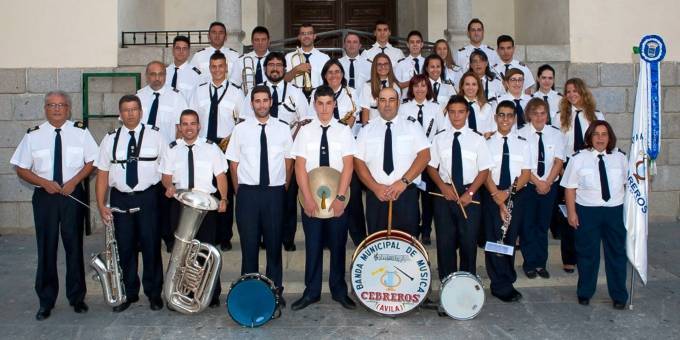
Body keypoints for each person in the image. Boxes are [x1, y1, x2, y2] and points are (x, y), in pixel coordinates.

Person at [10, 91, 98, 320]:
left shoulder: (80, 132)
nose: (57, 109)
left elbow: (93, 161)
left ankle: (77, 297)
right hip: (45, 198)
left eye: (61, 105)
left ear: (68, 108)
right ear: (45, 108)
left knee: (74, 247)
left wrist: (74, 182)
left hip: (72, 195)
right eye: (51, 105)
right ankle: (46, 301)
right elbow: (21, 167)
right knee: (46, 248)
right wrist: (43, 183)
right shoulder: (33, 136)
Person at [95, 95, 165, 312]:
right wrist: (101, 205)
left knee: (151, 245)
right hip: (120, 198)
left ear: (141, 111)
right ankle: (129, 293)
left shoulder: (156, 137)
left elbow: (167, 169)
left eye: (134, 109)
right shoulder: (110, 139)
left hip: (149, 197)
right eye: (126, 110)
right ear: (120, 113)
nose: (130, 113)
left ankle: (154, 293)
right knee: (124, 247)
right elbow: (102, 174)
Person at [290, 85, 357, 311]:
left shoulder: (343, 130)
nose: (325, 108)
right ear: (315, 105)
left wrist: (340, 197)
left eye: (329, 103)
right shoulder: (306, 131)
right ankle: (311, 292)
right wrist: (307, 198)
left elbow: (349, 165)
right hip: (311, 197)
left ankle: (339, 290)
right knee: (313, 245)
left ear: (335, 104)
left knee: (338, 245)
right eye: (320, 103)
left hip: (339, 197)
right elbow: (299, 166)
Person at [226, 85, 293, 305]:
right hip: (248, 194)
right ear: (252, 103)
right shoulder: (240, 130)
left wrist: (282, 187)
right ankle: (249, 293)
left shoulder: (282, 129)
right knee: (249, 246)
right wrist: (240, 190)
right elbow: (233, 164)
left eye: (265, 100)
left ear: (271, 103)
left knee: (274, 246)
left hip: (274, 193)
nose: (262, 104)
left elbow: (288, 162)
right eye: (257, 100)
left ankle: (275, 292)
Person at [160, 109, 228, 307]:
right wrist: (168, 186)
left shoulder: (211, 148)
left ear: (199, 126)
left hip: (205, 206)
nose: (189, 128)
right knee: (181, 251)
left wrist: (223, 198)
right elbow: (166, 176)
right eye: (185, 124)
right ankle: (180, 293)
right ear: (179, 127)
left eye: (192, 123)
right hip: (180, 205)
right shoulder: (172, 149)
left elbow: (221, 176)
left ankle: (211, 294)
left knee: (206, 251)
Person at [246, 52, 310, 251]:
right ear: (265, 69)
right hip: (261, 155)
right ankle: (265, 238)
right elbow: (246, 122)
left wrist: (294, 139)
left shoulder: (296, 93)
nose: (275, 68)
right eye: (271, 64)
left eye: (279, 64)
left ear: (284, 68)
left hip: (288, 152)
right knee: (264, 202)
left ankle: (287, 237)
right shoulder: (254, 94)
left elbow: (306, 120)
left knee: (288, 198)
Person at [560, 121, 628, 310]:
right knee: (587, 255)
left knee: (617, 254)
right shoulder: (578, 159)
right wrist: (572, 213)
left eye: (604, 134)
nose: (600, 138)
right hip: (587, 211)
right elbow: (570, 188)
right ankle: (585, 292)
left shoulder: (620, 158)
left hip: (614, 211)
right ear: (589, 137)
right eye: (596, 134)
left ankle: (619, 295)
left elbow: (628, 186)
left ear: (610, 137)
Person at [427, 95, 492, 279]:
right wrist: (442, 187)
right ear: (447, 113)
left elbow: (484, 169)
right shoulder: (439, 139)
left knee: (468, 242)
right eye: (452, 112)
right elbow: (431, 167)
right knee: (445, 243)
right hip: (444, 195)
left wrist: (470, 192)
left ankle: (466, 283)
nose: (456, 116)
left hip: (469, 195)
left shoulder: (477, 139)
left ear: (467, 113)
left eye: (461, 112)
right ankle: (447, 283)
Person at [355, 87, 431, 236]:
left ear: (398, 103)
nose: (387, 104)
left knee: (407, 245)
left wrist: (403, 182)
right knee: (377, 244)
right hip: (377, 196)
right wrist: (375, 187)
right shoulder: (367, 129)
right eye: (382, 100)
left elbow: (424, 156)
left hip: (405, 194)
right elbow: (358, 161)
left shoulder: (412, 125)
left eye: (391, 100)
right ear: (377, 103)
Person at [188, 51, 244, 251]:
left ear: (226, 69)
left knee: (224, 191)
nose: (217, 70)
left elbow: (241, 120)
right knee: (204, 189)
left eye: (221, 66)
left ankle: (225, 235)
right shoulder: (199, 91)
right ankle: (204, 232)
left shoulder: (237, 92)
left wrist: (232, 142)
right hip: (203, 144)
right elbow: (192, 117)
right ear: (209, 68)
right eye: (214, 67)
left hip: (226, 146)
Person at [483, 100, 531, 303]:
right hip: (491, 193)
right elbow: (484, 172)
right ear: (495, 118)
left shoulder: (523, 143)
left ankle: (507, 278)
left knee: (510, 237)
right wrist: (498, 197)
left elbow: (526, 175)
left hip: (515, 194)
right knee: (495, 239)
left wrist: (507, 194)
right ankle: (499, 284)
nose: (505, 119)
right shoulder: (485, 142)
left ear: (514, 118)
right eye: (501, 115)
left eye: (509, 115)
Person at [555, 78, 605, 273]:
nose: (572, 94)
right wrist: (560, 169)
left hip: (588, 166)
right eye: (568, 91)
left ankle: (586, 255)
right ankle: (568, 258)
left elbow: (602, 141)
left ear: (583, 92)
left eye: (575, 91)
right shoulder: (560, 116)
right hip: (566, 166)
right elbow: (557, 145)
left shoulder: (596, 115)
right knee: (567, 213)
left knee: (586, 213)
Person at [138, 60, 189, 252]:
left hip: (166, 156)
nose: (156, 78)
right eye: (152, 74)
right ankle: (146, 239)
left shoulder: (176, 97)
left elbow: (180, 128)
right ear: (147, 75)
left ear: (165, 76)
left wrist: (173, 154)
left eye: (160, 74)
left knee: (167, 200)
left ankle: (169, 238)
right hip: (144, 158)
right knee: (146, 200)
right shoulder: (139, 97)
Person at [313, 59, 365, 245]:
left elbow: (355, 117)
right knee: (324, 192)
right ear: (325, 76)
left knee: (354, 195)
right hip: (324, 150)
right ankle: (327, 237)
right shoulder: (316, 94)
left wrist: (346, 126)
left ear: (342, 75)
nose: (334, 75)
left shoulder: (351, 93)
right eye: (330, 72)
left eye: (337, 71)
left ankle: (359, 236)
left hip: (347, 148)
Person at [517, 98, 564, 279]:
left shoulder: (556, 134)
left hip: (549, 186)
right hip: (528, 186)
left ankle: (540, 263)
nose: (539, 117)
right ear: (529, 115)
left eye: (542, 113)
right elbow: (522, 165)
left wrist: (547, 183)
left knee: (542, 226)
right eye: (535, 113)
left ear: (547, 115)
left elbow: (559, 161)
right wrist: (537, 182)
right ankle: (529, 263)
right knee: (528, 225)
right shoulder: (521, 134)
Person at [398, 74, 443, 244]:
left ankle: (426, 229)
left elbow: (441, 132)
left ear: (428, 88)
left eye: (423, 86)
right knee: (411, 198)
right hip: (411, 159)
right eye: (416, 86)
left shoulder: (435, 108)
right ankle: (413, 229)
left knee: (428, 198)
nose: (420, 89)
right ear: (411, 89)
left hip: (430, 159)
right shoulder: (404, 108)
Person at [284, 23, 331, 95]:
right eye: (303, 34)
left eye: (309, 33)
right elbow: (284, 80)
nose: (306, 36)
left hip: (318, 97)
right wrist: (296, 70)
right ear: (299, 37)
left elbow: (329, 81)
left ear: (314, 36)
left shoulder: (325, 58)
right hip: (295, 97)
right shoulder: (289, 57)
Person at [359, 53, 401, 124]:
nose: (383, 66)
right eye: (379, 64)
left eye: (386, 64)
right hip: (373, 126)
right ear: (375, 67)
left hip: (392, 125)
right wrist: (366, 130)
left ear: (390, 66)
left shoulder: (395, 86)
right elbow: (365, 112)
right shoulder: (367, 86)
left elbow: (398, 110)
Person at [457, 71, 495, 137]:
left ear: (478, 87)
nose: (470, 87)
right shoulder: (455, 106)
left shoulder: (486, 107)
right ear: (462, 86)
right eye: (467, 84)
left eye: (474, 84)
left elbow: (492, 129)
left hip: (481, 144)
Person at [165, 35, 202, 102]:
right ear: (173, 50)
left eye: (184, 48)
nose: (181, 51)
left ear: (188, 52)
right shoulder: (165, 72)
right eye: (178, 48)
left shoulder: (196, 75)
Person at [237, 26, 271, 93]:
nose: (260, 43)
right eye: (257, 40)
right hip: (247, 100)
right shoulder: (241, 61)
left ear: (269, 41)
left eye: (263, 40)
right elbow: (235, 85)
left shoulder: (276, 60)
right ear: (252, 42)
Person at [339, 32, 372, 98]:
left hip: (363, 104)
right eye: (348, 42)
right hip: (342, 103)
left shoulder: (369, 65)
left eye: (355, 42)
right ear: (344, 45)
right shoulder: (337, 64)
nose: (351, 45)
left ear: (360, 46)